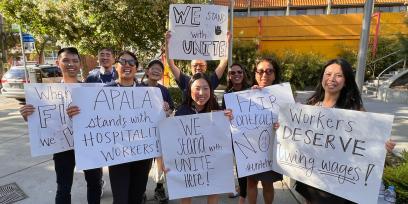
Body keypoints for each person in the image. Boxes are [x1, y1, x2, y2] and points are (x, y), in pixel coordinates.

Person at [294, 58, 396, 204]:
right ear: (322, 77)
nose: (332, 79)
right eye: (328, 74)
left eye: (338, 75)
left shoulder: (354, 111)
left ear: (346, 81)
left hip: (336, 179)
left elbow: (372, 139)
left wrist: (384, 146)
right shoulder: (311, 104)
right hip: (311, 172)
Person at [19, 47, 104, 204]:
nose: (70, 64)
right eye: (66, 60)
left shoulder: (91, 91)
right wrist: (27, 116)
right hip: (62, 147)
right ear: (58, 63)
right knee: (63, 188)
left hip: (89, 145)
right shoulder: (44, 94)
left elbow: (102, 118)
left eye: (74, 60)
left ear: (79, 64)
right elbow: (41, 120)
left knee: (94, 184)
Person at [168, 72, 232, 204]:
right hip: (187, 164)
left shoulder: (218, 111)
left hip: (212, 162)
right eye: (197, 88)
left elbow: (226, 137)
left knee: (213, 189)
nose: (201, 93)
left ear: (211, 90)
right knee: (186, 192)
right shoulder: (182, 112)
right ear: (189, 90)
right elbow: (172, 141)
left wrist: (230, 120)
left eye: (206, 88)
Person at [247, 57, 283, 204]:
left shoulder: (283, 95)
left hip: (271, 147)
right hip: (251, 147)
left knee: (267, 183)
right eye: (260, 71)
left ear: (274, 75)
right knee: (251, 182)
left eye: (269, 71)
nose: (264, 75)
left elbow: (291, 121)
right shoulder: (245, 95)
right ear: (255, 74)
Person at [140, 59, 174, 203]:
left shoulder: (164, 90)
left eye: (159, 70)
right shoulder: (137, 88)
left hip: (160, 133)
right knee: (143, 164)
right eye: (153, 68)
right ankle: (140, 190)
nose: (156, 71)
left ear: (161, 74)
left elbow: (171, 110)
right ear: (147, 71)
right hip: (142, 135)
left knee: (161, 164)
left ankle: (159, 188)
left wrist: (167, 110)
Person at [165, 31, 230, 94]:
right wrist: (167, 44)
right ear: (191, 67)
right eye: (195, 65)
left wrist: (226, 43)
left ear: (206, 67)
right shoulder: (185, 81)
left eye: (201, 65)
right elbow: (171, 64)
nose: (198, 68)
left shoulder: (211, 81)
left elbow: (223, 63)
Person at [222, 63, 250, 204]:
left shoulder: (252, 90)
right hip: (236, 137)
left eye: (239, 71)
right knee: (241, 167)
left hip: (253, 136)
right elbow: (223, 116)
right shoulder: (227, 94)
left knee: (252, 168)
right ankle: (243, 196)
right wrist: (225, 115)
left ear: (243, 73)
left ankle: (247, 193)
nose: (236, 75)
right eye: (233, 73)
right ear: (229, 76)